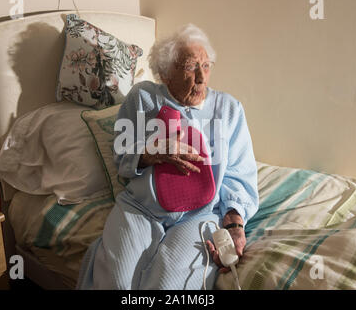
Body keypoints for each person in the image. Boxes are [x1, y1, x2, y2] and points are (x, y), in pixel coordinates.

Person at [77, 24, 259, 290]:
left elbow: (238, 174)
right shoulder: (143, 98)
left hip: (200, 213)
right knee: (116, 282)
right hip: (141, 208)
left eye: (206, 66)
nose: (201, 77)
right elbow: (122, 154)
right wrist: (151, 153)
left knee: (167, 285)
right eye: (189, 66)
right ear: (165, 73)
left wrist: (234, 226)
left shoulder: (229, 110)